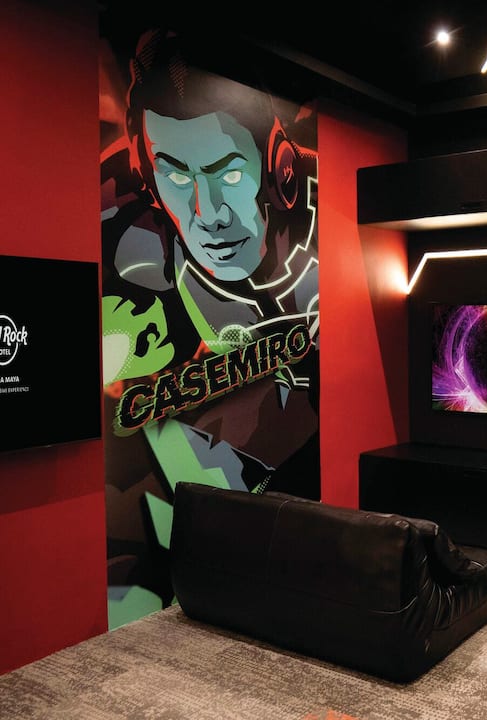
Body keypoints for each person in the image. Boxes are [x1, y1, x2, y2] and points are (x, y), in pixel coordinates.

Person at [100, 27, 320, 626]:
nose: (206, 213)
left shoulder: (327, 218)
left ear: (278, 166)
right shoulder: (121, 239)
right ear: (148, 174)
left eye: (226, 172)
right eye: (175, 175)